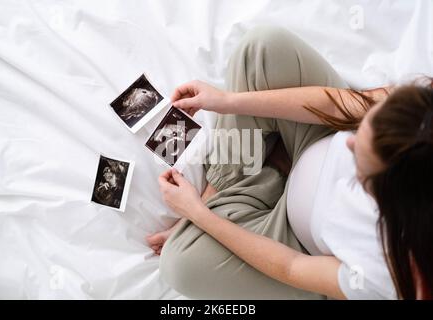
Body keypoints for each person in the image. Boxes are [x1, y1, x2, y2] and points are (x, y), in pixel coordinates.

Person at [147, 26, 433, 299]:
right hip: (315, 140)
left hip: (296, 244)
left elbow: (291, 267)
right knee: (261, 47)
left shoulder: (385, 274)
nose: (349, 143)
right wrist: (228, 101)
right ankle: (234, 187)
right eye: (364, 131)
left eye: (360, 159)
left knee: (179, 267)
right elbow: (338, 106)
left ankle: (255, 180)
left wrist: (198, 214)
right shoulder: (420, 111)